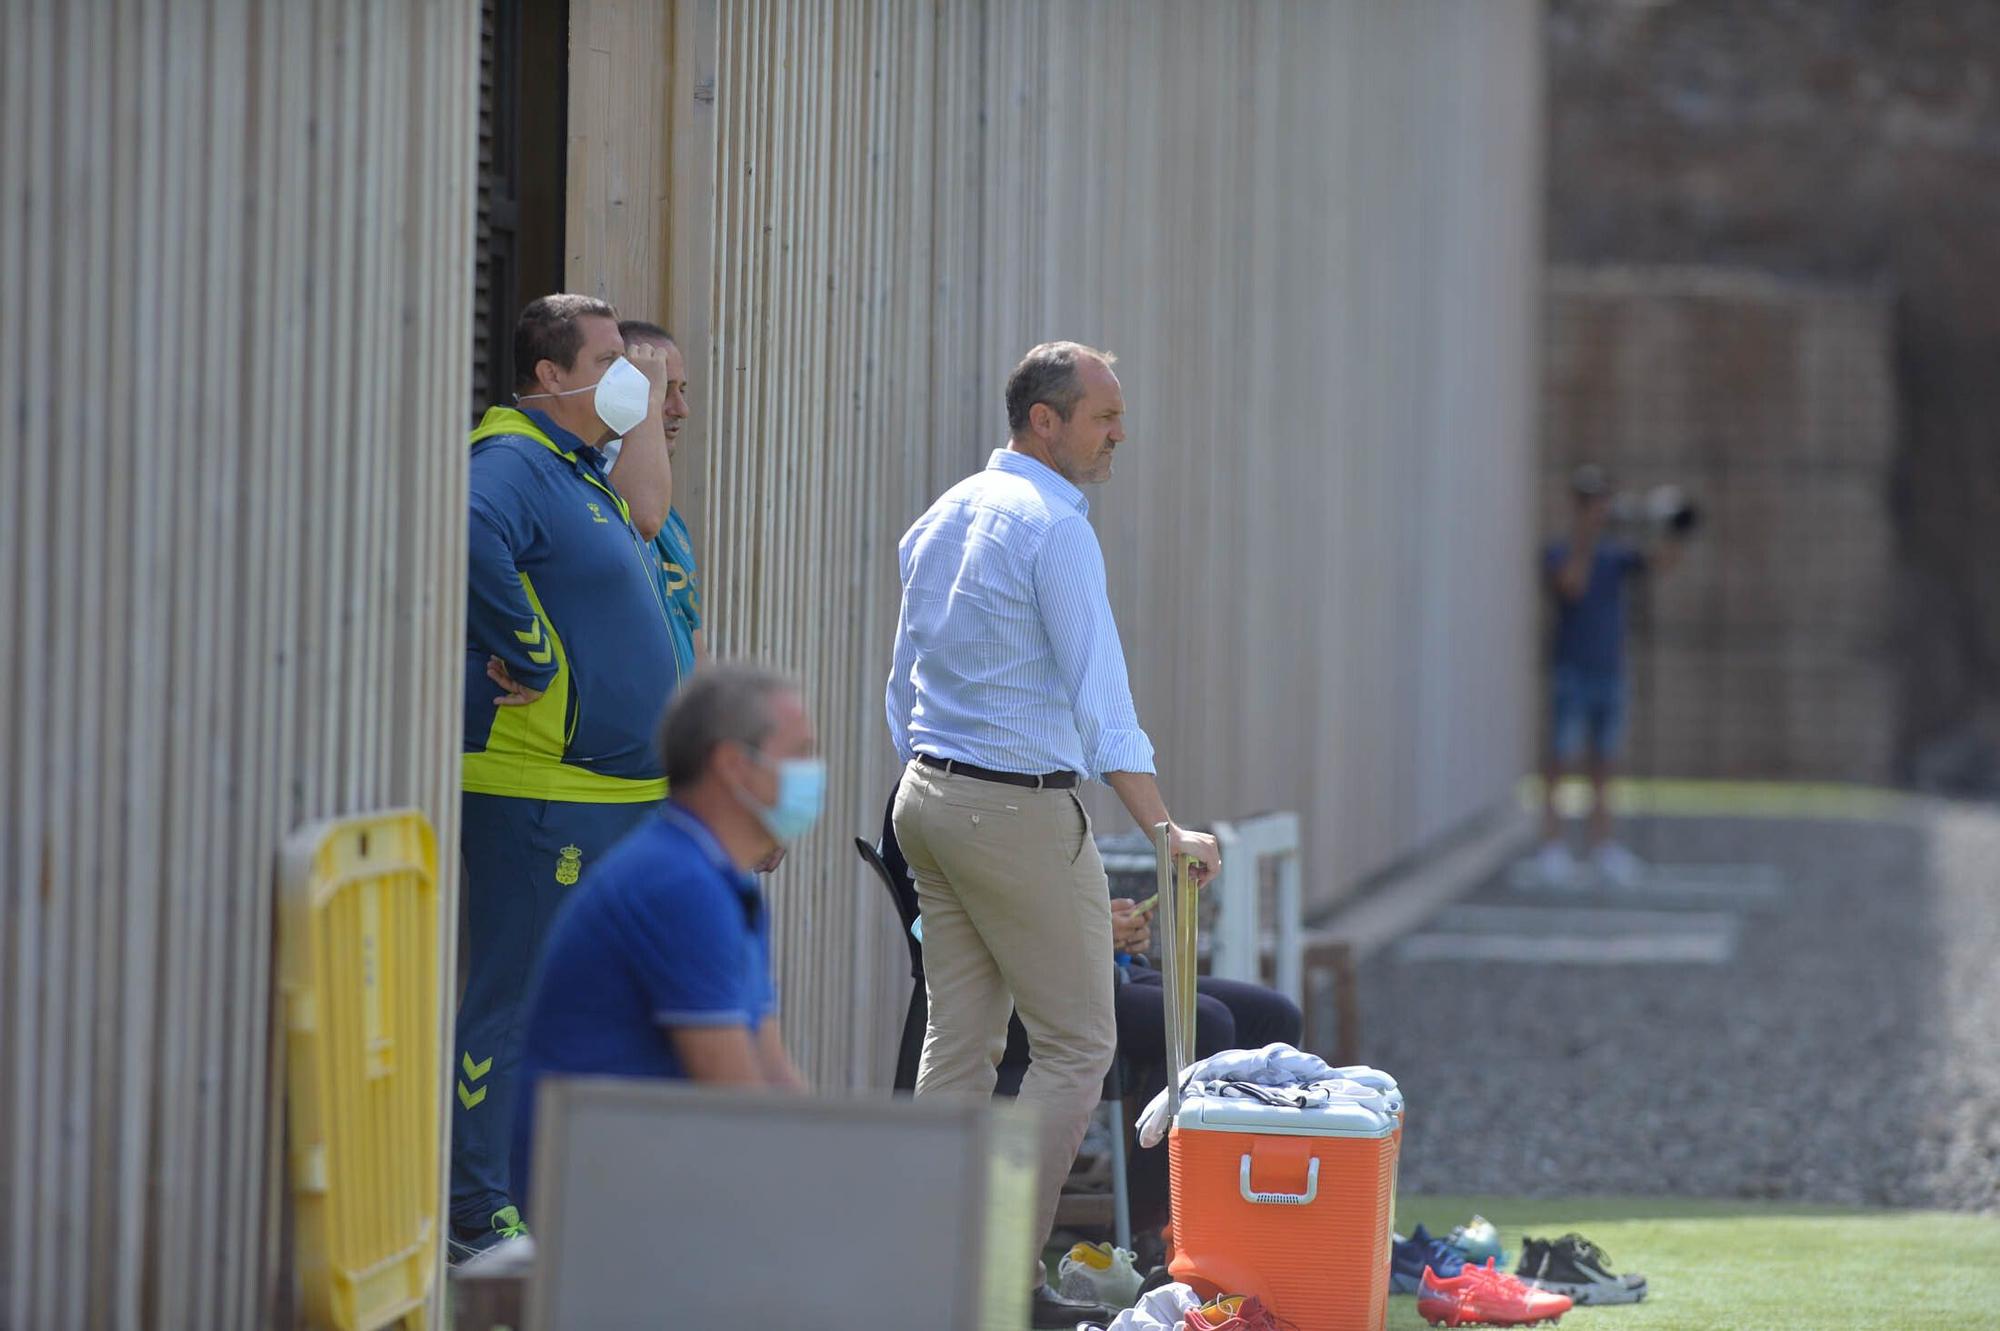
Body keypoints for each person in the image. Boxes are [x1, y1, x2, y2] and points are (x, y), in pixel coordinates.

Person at [885, 341, 1221, 1328]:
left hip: (927, 799)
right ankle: (996, 1278)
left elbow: (899, 683)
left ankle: (918, 1268)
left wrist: (921, 783)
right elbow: (1101, 703)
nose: (1118, 433)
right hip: (1011, 806)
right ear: (1045, 421)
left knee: (960, 1042)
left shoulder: (940, 512)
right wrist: (1161, 826)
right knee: (1078, 1043)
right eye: (1102, 416)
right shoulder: (1055, 528)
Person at [452, 294, 681, 1257]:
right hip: (544, 793)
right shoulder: (508, 459)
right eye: (604, 356)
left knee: (585, 1007)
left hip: (620, 799)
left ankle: (552, 1200)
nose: (626, 375)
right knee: (512, 1000)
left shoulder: (577, 471)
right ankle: (476, 1211)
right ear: (551, 374)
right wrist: (527, 650)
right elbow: (466, 531)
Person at [508, 664, 818, 1219]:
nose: (813, 774)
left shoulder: (722, 877)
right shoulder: (678, 885)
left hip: (652, 1173)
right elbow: (736, 1096)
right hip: (601, 1201)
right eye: (799, 753)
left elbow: (771, 1068)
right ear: (732, 766)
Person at [992, 897, 1301, 1257]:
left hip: (1098, 969)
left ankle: (1237, 1210)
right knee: (1202, 1024)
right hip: (1031, 991)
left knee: (1275, 1018)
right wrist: (1086, 932)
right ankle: (1148, 1233)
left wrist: (1106, 918)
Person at [1535, 464, 1683, 889]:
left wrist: (1669, 526)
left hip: (1609, 670)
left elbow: (1663, 564)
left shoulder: (1617, 555)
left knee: (1604, 762)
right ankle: (1553, 846)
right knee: (1560, 760)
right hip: (1571, 669)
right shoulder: (1560, 552)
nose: (1598, 510)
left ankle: (1603, 846)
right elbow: (1571, 588)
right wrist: (1586, 538)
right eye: (1590, 503)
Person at [601, 320, 705, 678]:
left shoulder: (671, 520)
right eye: (663, 390)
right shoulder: (594, 491)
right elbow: (640, 518)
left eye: (681, 390)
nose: (680, 408)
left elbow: (691, 633)